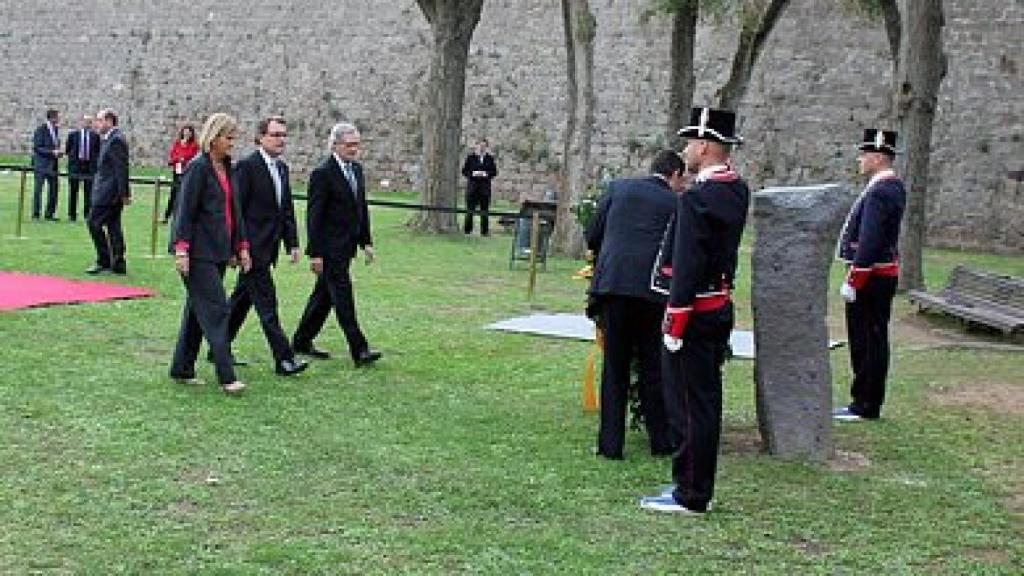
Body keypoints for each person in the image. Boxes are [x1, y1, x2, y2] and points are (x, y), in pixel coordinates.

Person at [640, 107, 750, 515]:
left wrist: (676, 317)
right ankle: (690, 482)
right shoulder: (736, 189)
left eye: (690, 143)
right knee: (703, 403)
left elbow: (688, 262)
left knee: (688, 404)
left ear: (704, 146)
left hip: (695, 311)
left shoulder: (699, 197)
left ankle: (691, 492)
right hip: (717, 304)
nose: (685, 150)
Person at [586, 149, 688, 460]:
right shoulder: (676, 204)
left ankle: (610, 445)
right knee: (652, 367)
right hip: (653, 292)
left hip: (614, 286)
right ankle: (660, 439)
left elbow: (593, 233)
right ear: (674, 175)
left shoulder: (618, 189)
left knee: (614, 367)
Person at [169, 113, 251, 395]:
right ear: (214, 138)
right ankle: (227, 375)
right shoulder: (198, 168)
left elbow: (234, 210)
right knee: (216, 310)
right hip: (197, 253)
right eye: (228, 138)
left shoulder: (228, 168)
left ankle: (182, 367)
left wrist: (240, 247)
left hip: (218, 252)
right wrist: (181, 250)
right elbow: (185, 212)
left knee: (198, 310)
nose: (232, 143)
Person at [292, 122, 382, 367]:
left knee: (323, 297)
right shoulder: (323, 173)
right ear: (335, 145)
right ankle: (359, 349)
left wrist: (366, 241)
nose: (354, 149)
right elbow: (314, 216)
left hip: (347, 246)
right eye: (349, 145)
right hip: (329, 249)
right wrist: (316, 253)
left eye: (357, 145)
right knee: (342, 297)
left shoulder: (357, 171)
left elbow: (360, 207)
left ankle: (301, 340)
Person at [224, 116, 307, 376]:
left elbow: (285, 209)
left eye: (284, 135)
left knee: (241, 301)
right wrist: (240, 247)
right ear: (260, 137)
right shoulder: (247, 167)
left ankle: (218, 346)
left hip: (268, 247)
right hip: (252, 249)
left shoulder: (281, 168)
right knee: (267, 305)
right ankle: (284, 358)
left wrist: (292, 242)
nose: (281, 140)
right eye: (275, 134)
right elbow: (237, 210)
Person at [833, 129, 906, 422]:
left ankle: (865, 403)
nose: (860, 160)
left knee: (867, 340)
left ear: (877, 157)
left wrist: (854, 280)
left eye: (864, 155)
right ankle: (864, 399)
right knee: (870, 338)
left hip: (872, 277)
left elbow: (870, 242)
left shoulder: (880, 191)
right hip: (879, 275)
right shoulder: (890, 187)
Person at [86, 109, 131, 275]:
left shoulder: (116, 140)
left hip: (109, 193)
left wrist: (123, 193)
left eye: (100, 120)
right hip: (108, 190)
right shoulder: (109, 139)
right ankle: (118, 262)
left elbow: (121, 169)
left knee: (93, 222)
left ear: (110, 121)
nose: (97, 124)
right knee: (113, 226)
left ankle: (104, 259)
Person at [65, 114, 100, 222]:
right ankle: (72, 214)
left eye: (89, 122)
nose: (87, 124)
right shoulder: (73, 135)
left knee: (89, 191)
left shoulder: (95, 136)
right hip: (75, 166)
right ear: (81, 122)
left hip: (89, 167)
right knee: (73, 190)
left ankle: (87, 214)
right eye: (85, 121)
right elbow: (68, 149)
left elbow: (98, 151)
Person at [460, 137, 498, 235]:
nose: (482, 148)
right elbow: (464, 171)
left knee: (484, 211)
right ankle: (467, 230)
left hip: (485, 188)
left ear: (486, 147)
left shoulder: (489, 158)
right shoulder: (471, 157)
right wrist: (473, 174)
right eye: (480, 146)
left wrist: (486, 174)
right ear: (476, 146)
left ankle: (484, 231)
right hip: (472, 187)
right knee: (470, 210)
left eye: (484, 146)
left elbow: (494, 172)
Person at [31, 109, 63, 221]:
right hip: (41, 164)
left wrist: (58, 152)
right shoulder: (41, 130)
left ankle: (49, 214)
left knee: (54, 189)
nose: (59, 119)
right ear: (52, 117)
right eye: (57, 116)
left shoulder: (56, 130)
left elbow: (54, 145)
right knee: (38, 189)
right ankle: (36, 214)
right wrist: (51, 152)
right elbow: (37, 147)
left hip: (53, 165)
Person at [164, 124, 199, 223]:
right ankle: (166, 216)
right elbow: (172, 156)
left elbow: (192, 157)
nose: (187, 134)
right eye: (185, 131)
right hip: (177, 171)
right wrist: (179, 159)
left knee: (185, 194)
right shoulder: (177, 143)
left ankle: (184, 216)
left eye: (189, 132)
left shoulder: (194, 146)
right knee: (173, 193)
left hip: (187, 172)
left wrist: (182, 159)